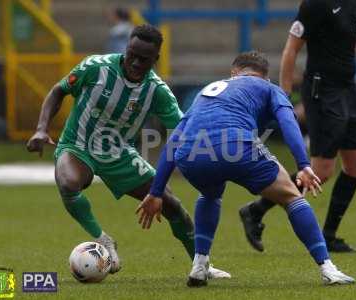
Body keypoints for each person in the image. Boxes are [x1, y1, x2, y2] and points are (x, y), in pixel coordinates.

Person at [26, 24, 229, 279]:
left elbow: (182, 131)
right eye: (131, 54)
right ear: (126, 49)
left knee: (173, 206)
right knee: (68, 183)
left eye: (143, 59)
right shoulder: (95, 68)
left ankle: (203, 266)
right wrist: (41, 129)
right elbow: (59, 90)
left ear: (155, 60)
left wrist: (212, 152)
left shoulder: (157, 91)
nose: (134, 62)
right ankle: (105, 241)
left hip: (120, 154)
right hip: (77, 145)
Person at [136, 51, 355, 287]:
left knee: (210, 193)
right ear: (265, 77)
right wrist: (303, 165)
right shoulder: (268, 88)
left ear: (234, 73)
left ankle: (199, 265)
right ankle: (328, 268)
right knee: (291, 196)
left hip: (190, 154)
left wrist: (157, 192)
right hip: (235, 146)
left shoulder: (208, 90)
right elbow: (288, 122)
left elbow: (175, 139)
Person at [239, 0, 356, 253]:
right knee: (321, 170)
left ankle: (329, 235)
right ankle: (255, 210)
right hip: (321, 92)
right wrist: (283, 96)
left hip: (347, 90)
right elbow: (291, 50)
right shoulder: (315, 4)